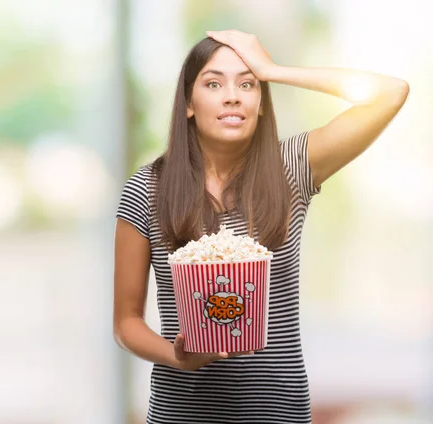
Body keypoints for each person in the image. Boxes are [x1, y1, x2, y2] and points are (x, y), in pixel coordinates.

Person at [113, 29, 409, 424]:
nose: (232, 95)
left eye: (248, 84)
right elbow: (125, 323)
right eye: (213, 83)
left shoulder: (293, 168)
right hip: (183, 410)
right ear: (188, 102)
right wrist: (178, 357)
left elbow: (391, 92)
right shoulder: (147, 189)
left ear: (262, 103)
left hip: (278, 411)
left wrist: (275, 69)